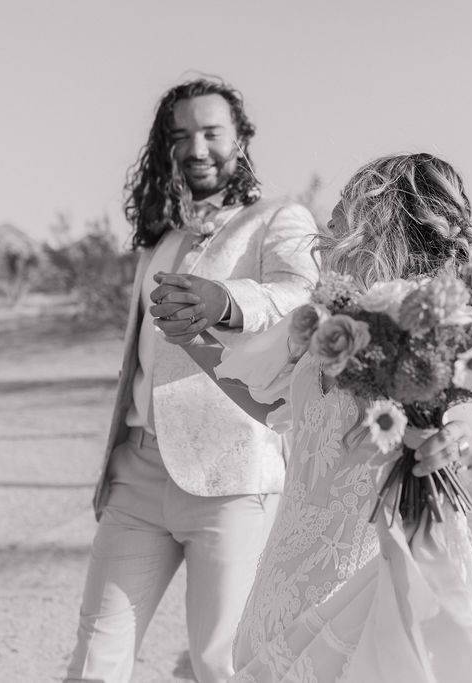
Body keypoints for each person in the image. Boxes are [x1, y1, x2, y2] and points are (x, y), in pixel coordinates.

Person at [165, 153, 472, 682]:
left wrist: (454, 452)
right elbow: (277, 407)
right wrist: (194, 338)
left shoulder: (443, 331)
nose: (328, 229)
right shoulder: (331, 323)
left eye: (344, 211)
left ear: (382, 225)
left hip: (358, 599)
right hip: (282, 586)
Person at [64, 77, 320, 683]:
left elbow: (302, 292)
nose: (196, 148)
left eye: (211, 132)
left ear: (242, 138)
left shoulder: (279, 218)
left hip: (233, 479)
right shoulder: (164, 235)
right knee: (94, 660)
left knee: (219, 664)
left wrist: (224, 301)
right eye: (180, 136)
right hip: (137, 475)